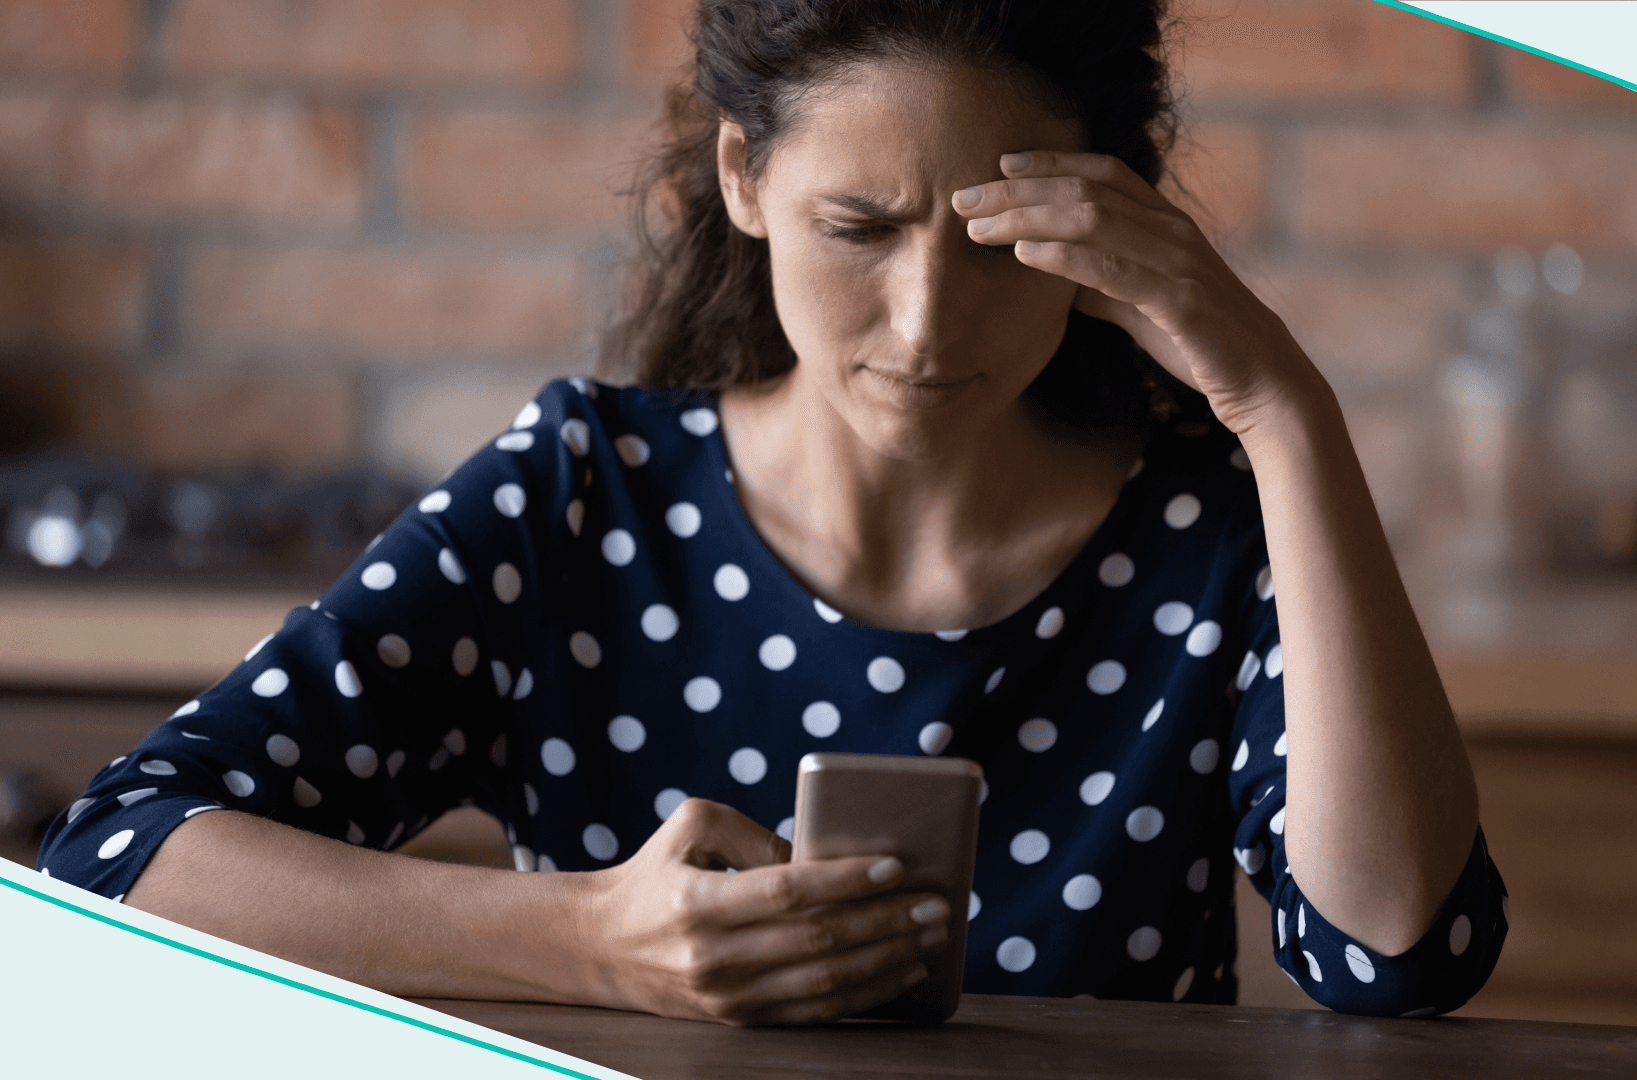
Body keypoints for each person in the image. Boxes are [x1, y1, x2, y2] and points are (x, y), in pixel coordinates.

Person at [36, 0, 1506, 1026]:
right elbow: (116, 862)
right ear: (745, 176)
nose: (927, 323)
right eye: (859, 229)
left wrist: (1283, 410)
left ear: (1112, 219)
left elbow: (1394, 952)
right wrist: (592, 945)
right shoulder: (578, 494)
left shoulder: (1210, 533)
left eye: (1000, 242)